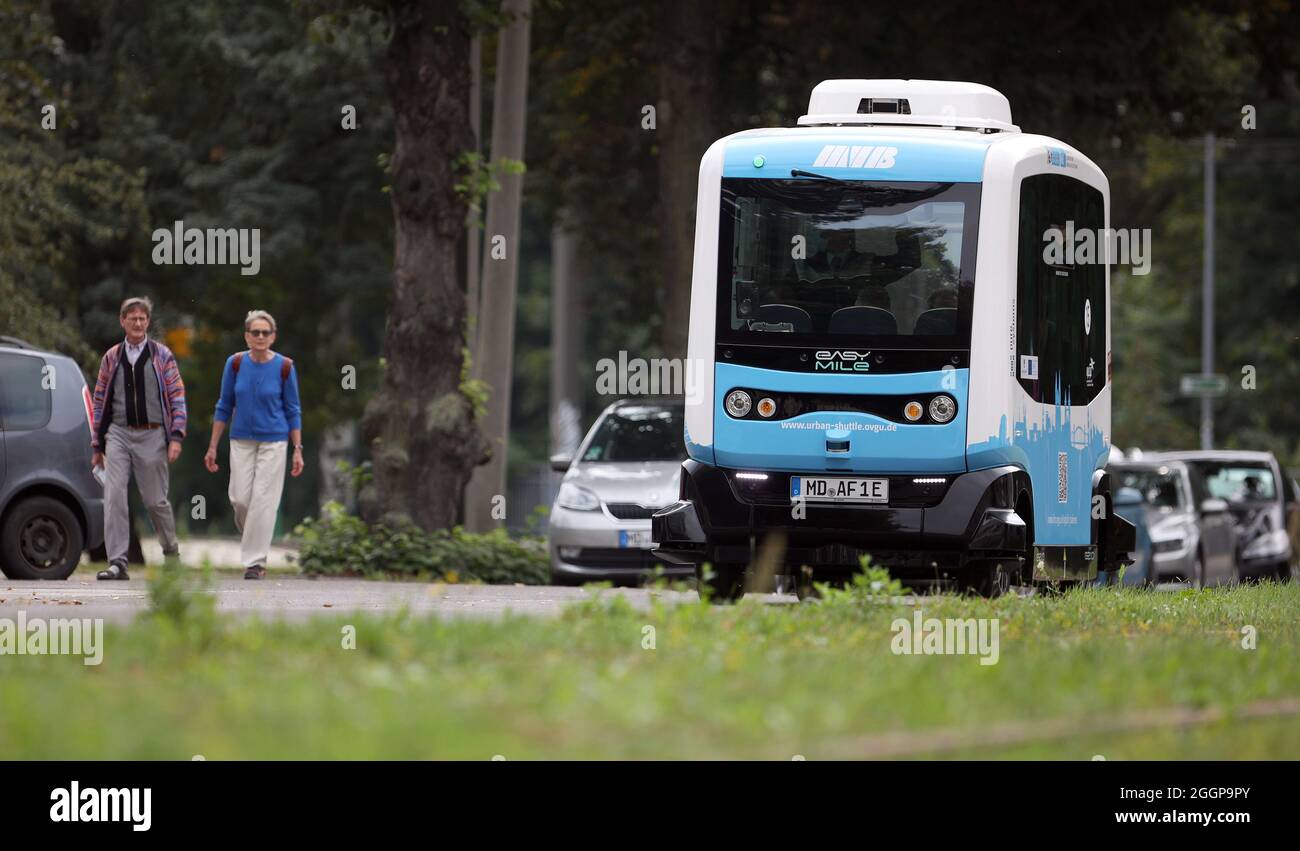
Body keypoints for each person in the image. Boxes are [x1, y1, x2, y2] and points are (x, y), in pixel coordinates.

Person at [90, 296, 188, 580]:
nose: (137, 322)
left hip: (153, 433)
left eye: (142, 318)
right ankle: (118, 562)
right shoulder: (112, 357)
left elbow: (177, 396)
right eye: (131, 317)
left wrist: (177, 436)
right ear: (123, 321)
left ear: (148, 322)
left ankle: (171, 552)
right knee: (114, 496)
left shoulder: (162, 355)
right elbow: (100, 401)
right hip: (118, 433)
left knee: (156, 500)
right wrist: (97, 444)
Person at [204, 310, 304, 580]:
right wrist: (213, 446)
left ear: (273, 337)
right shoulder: (235, 363)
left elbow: (293, 409)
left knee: (263, 501)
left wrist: (298, 449)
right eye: (255, 332)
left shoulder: (285, 367)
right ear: (247, 336)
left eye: (265, 332)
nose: (260, 337)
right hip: (241, 440)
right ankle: (254, 536)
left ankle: (255, 563)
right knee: (240, 499)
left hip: (275, 440)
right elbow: (224, 405)